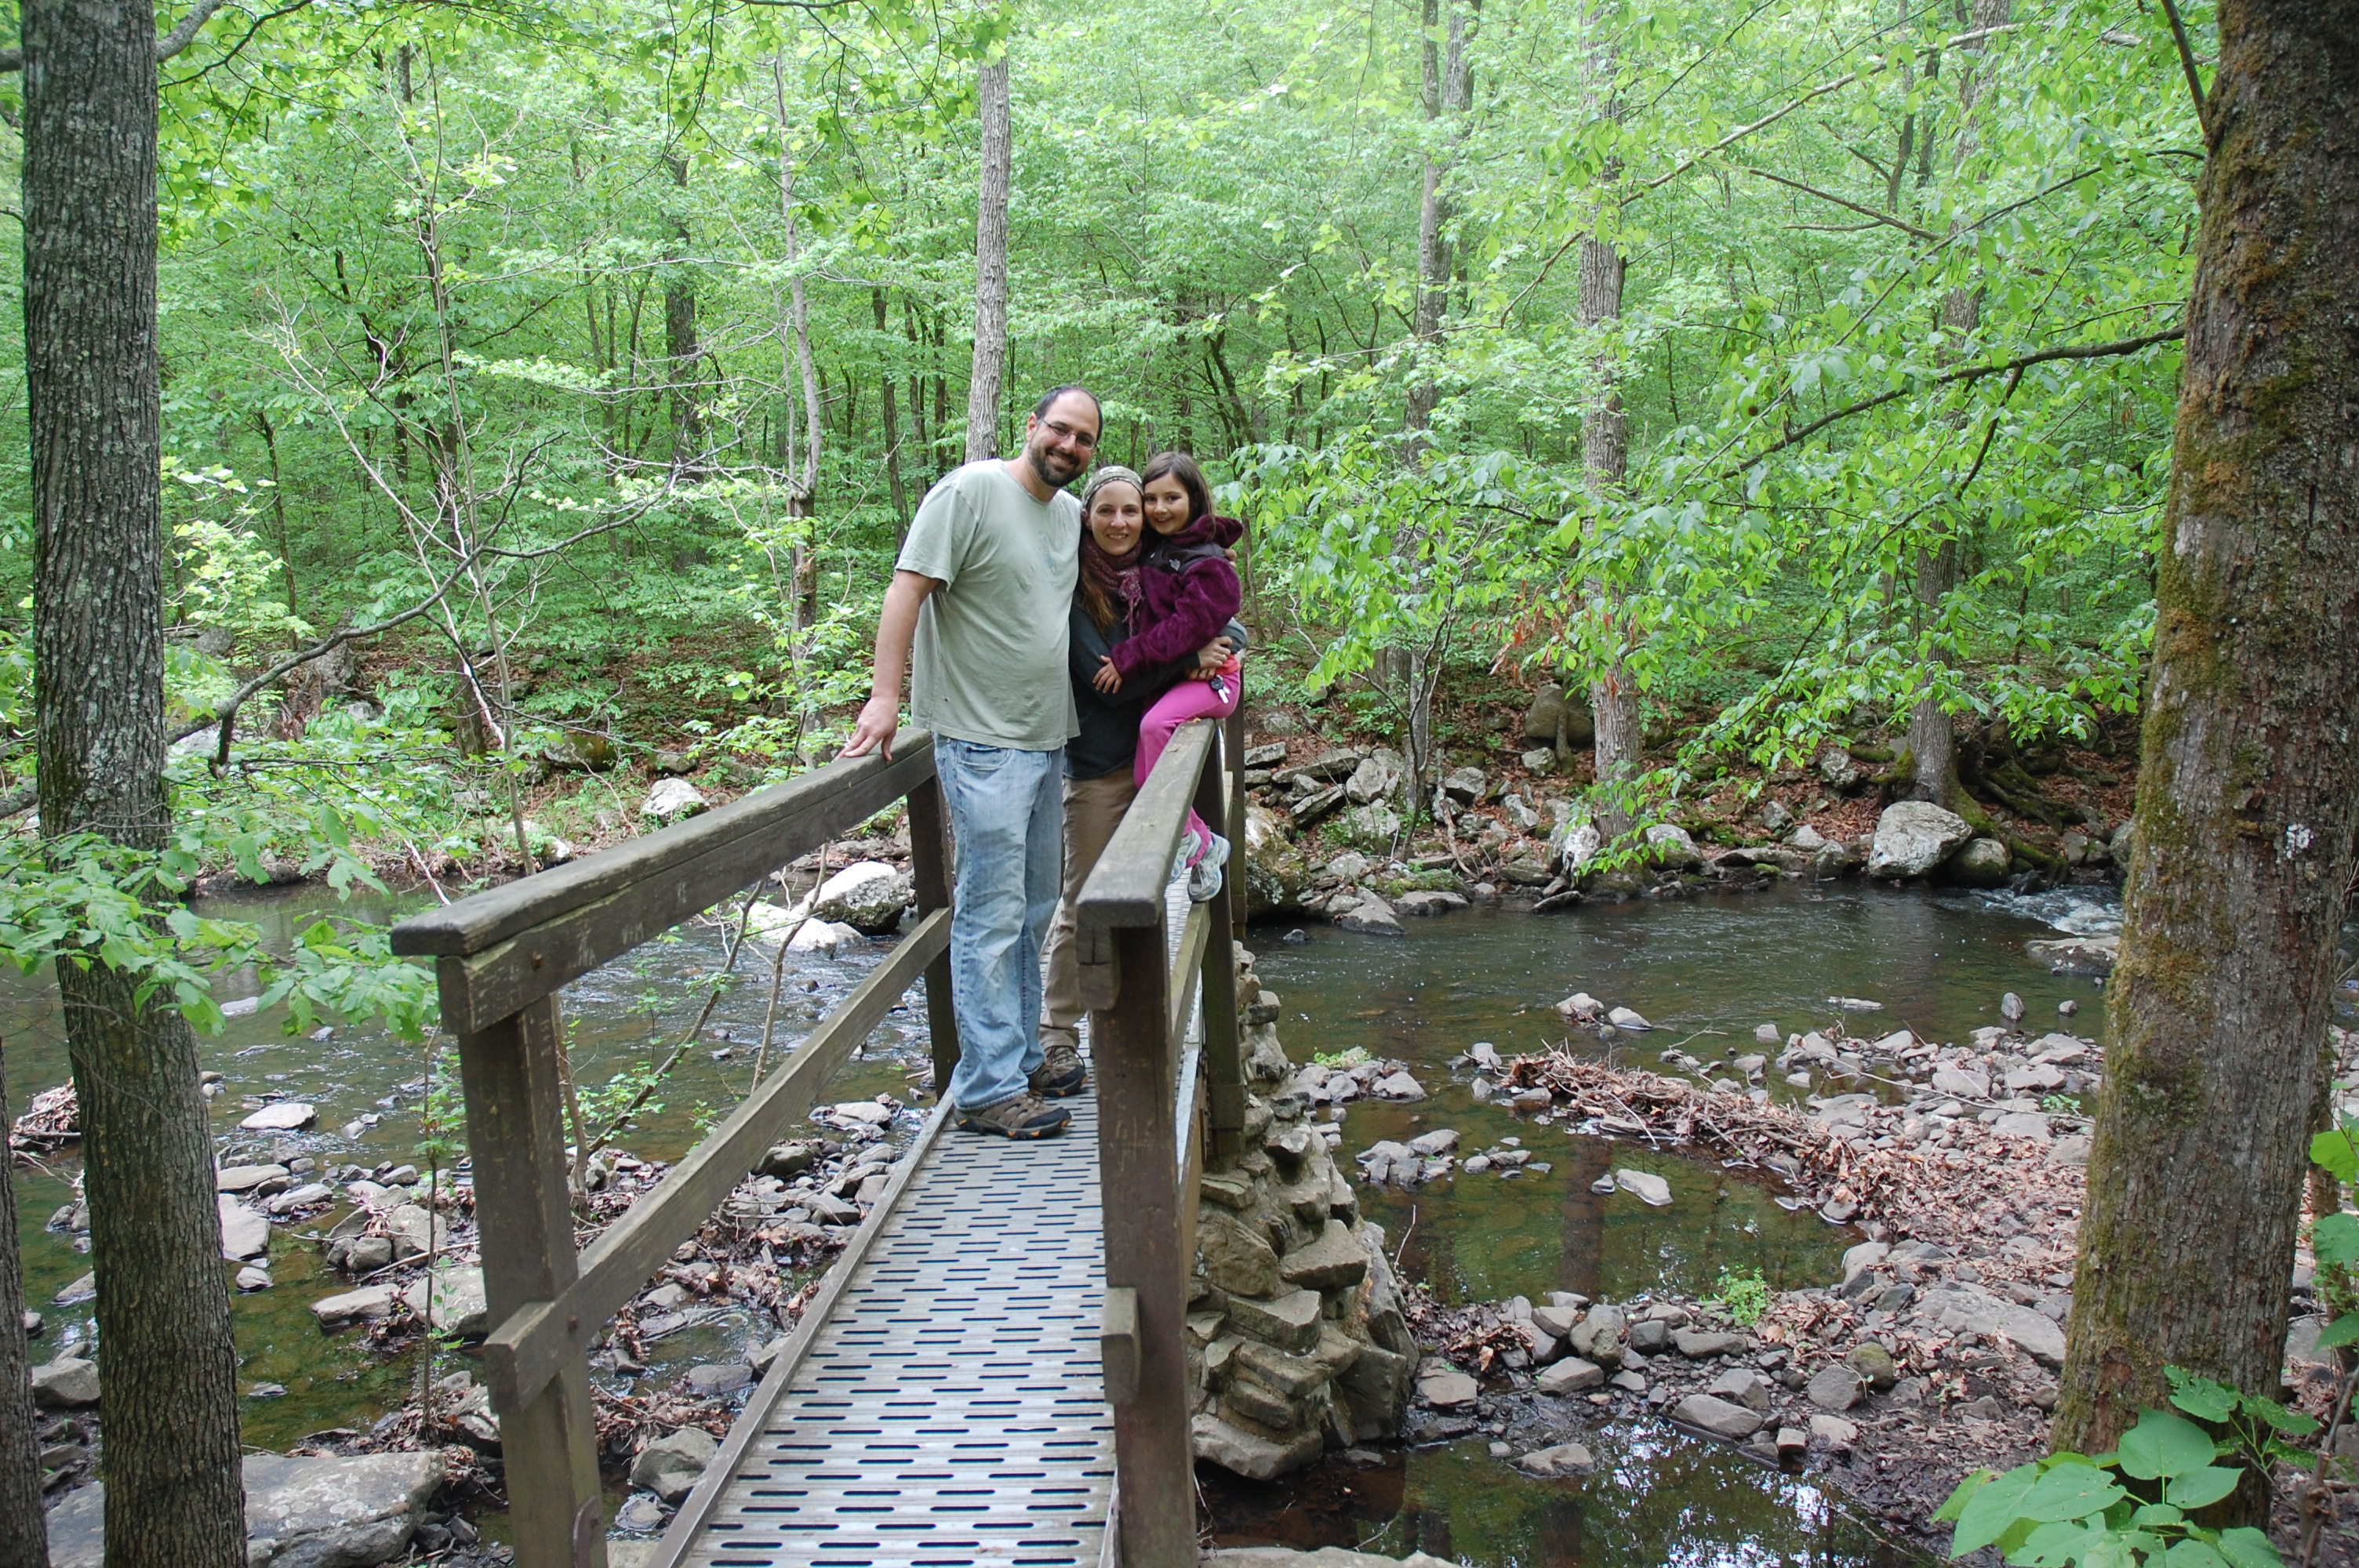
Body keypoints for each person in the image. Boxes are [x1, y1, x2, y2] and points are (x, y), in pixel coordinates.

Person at [841, 386, 1100, 1139]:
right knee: (990, 914)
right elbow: (907, 589)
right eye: (1060, 430)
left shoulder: (1070, 515)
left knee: (1035, 907)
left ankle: (1020, 1057)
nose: (1069, 446)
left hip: (1047, 738)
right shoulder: (970, 492)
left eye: (1084, 439)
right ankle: (987, 1087)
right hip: (981, 740)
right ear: (1032, 425)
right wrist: (885, 696)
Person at [1037, 466, 1244, 1089]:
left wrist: (1224, 639)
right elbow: (1105, 683)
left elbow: (1217, 617)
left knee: (1142, 899)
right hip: (1102, 766)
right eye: (1108, 511)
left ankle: (1133, 1028)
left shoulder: (1160, 567)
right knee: (1083, 904)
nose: (1122, 522)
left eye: (1133, 509)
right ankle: (1057, 1035)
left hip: (1164, 763)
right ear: (1088, 518)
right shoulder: (1075, 586)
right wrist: (1187, 660)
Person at [1088, 450, 1244, 902]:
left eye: (1171, 498)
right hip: (1184, 679)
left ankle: (1186, 838)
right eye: (1151, 499)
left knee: (1154, 726)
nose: (1159, 509)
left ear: (1193, 499)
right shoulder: (1161, 550)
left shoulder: (1207, 562)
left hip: (1214, 682)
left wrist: (1127, 658)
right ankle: (1205, 843)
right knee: (1144, 776)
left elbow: (1185, 628)